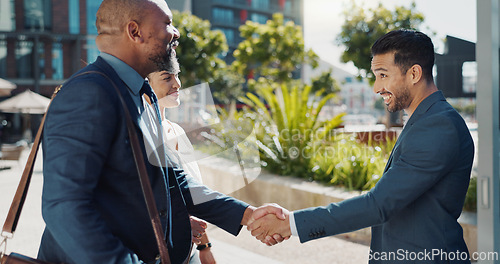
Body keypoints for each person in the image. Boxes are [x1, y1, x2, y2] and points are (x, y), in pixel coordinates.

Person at [37, 1, 282, 263]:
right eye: (167, 22)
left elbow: (175, 182)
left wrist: (247, 215)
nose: (175, 32)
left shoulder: (142, 95)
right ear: (135, 32)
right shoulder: (89, 93)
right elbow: (64, 207)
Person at [248, 29, 475, 263]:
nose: (377, 87)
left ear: (414, 73)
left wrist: (290, 224)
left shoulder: (438, 125)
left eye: (383, 75)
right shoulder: (427, 120)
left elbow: (378, 205)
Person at [147, 70, 216, 264]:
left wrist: (204, 247)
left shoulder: (176, 131)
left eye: (177, 75)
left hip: (188, 252)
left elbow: (193, 196)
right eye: (167, 78)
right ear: (145, 83)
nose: (177, 84)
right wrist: (180, 224)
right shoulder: (141, 138)